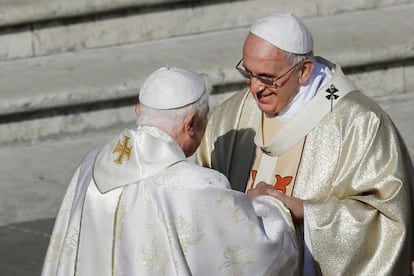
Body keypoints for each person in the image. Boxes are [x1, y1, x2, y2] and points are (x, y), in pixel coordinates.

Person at [196, 12, 414, 275]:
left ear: (304, 71)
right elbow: (203, 199)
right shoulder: (230, 118)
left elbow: (388, 221)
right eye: (248, 73)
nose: (255, 88)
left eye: (268, 77)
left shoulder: (359, 122)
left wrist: (304, 212)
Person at [41, 66, 299, 276]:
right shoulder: (193, 186)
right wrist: (267, 205)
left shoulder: (91, 163)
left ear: (138, 111)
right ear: (191, 124)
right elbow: (260, 251)